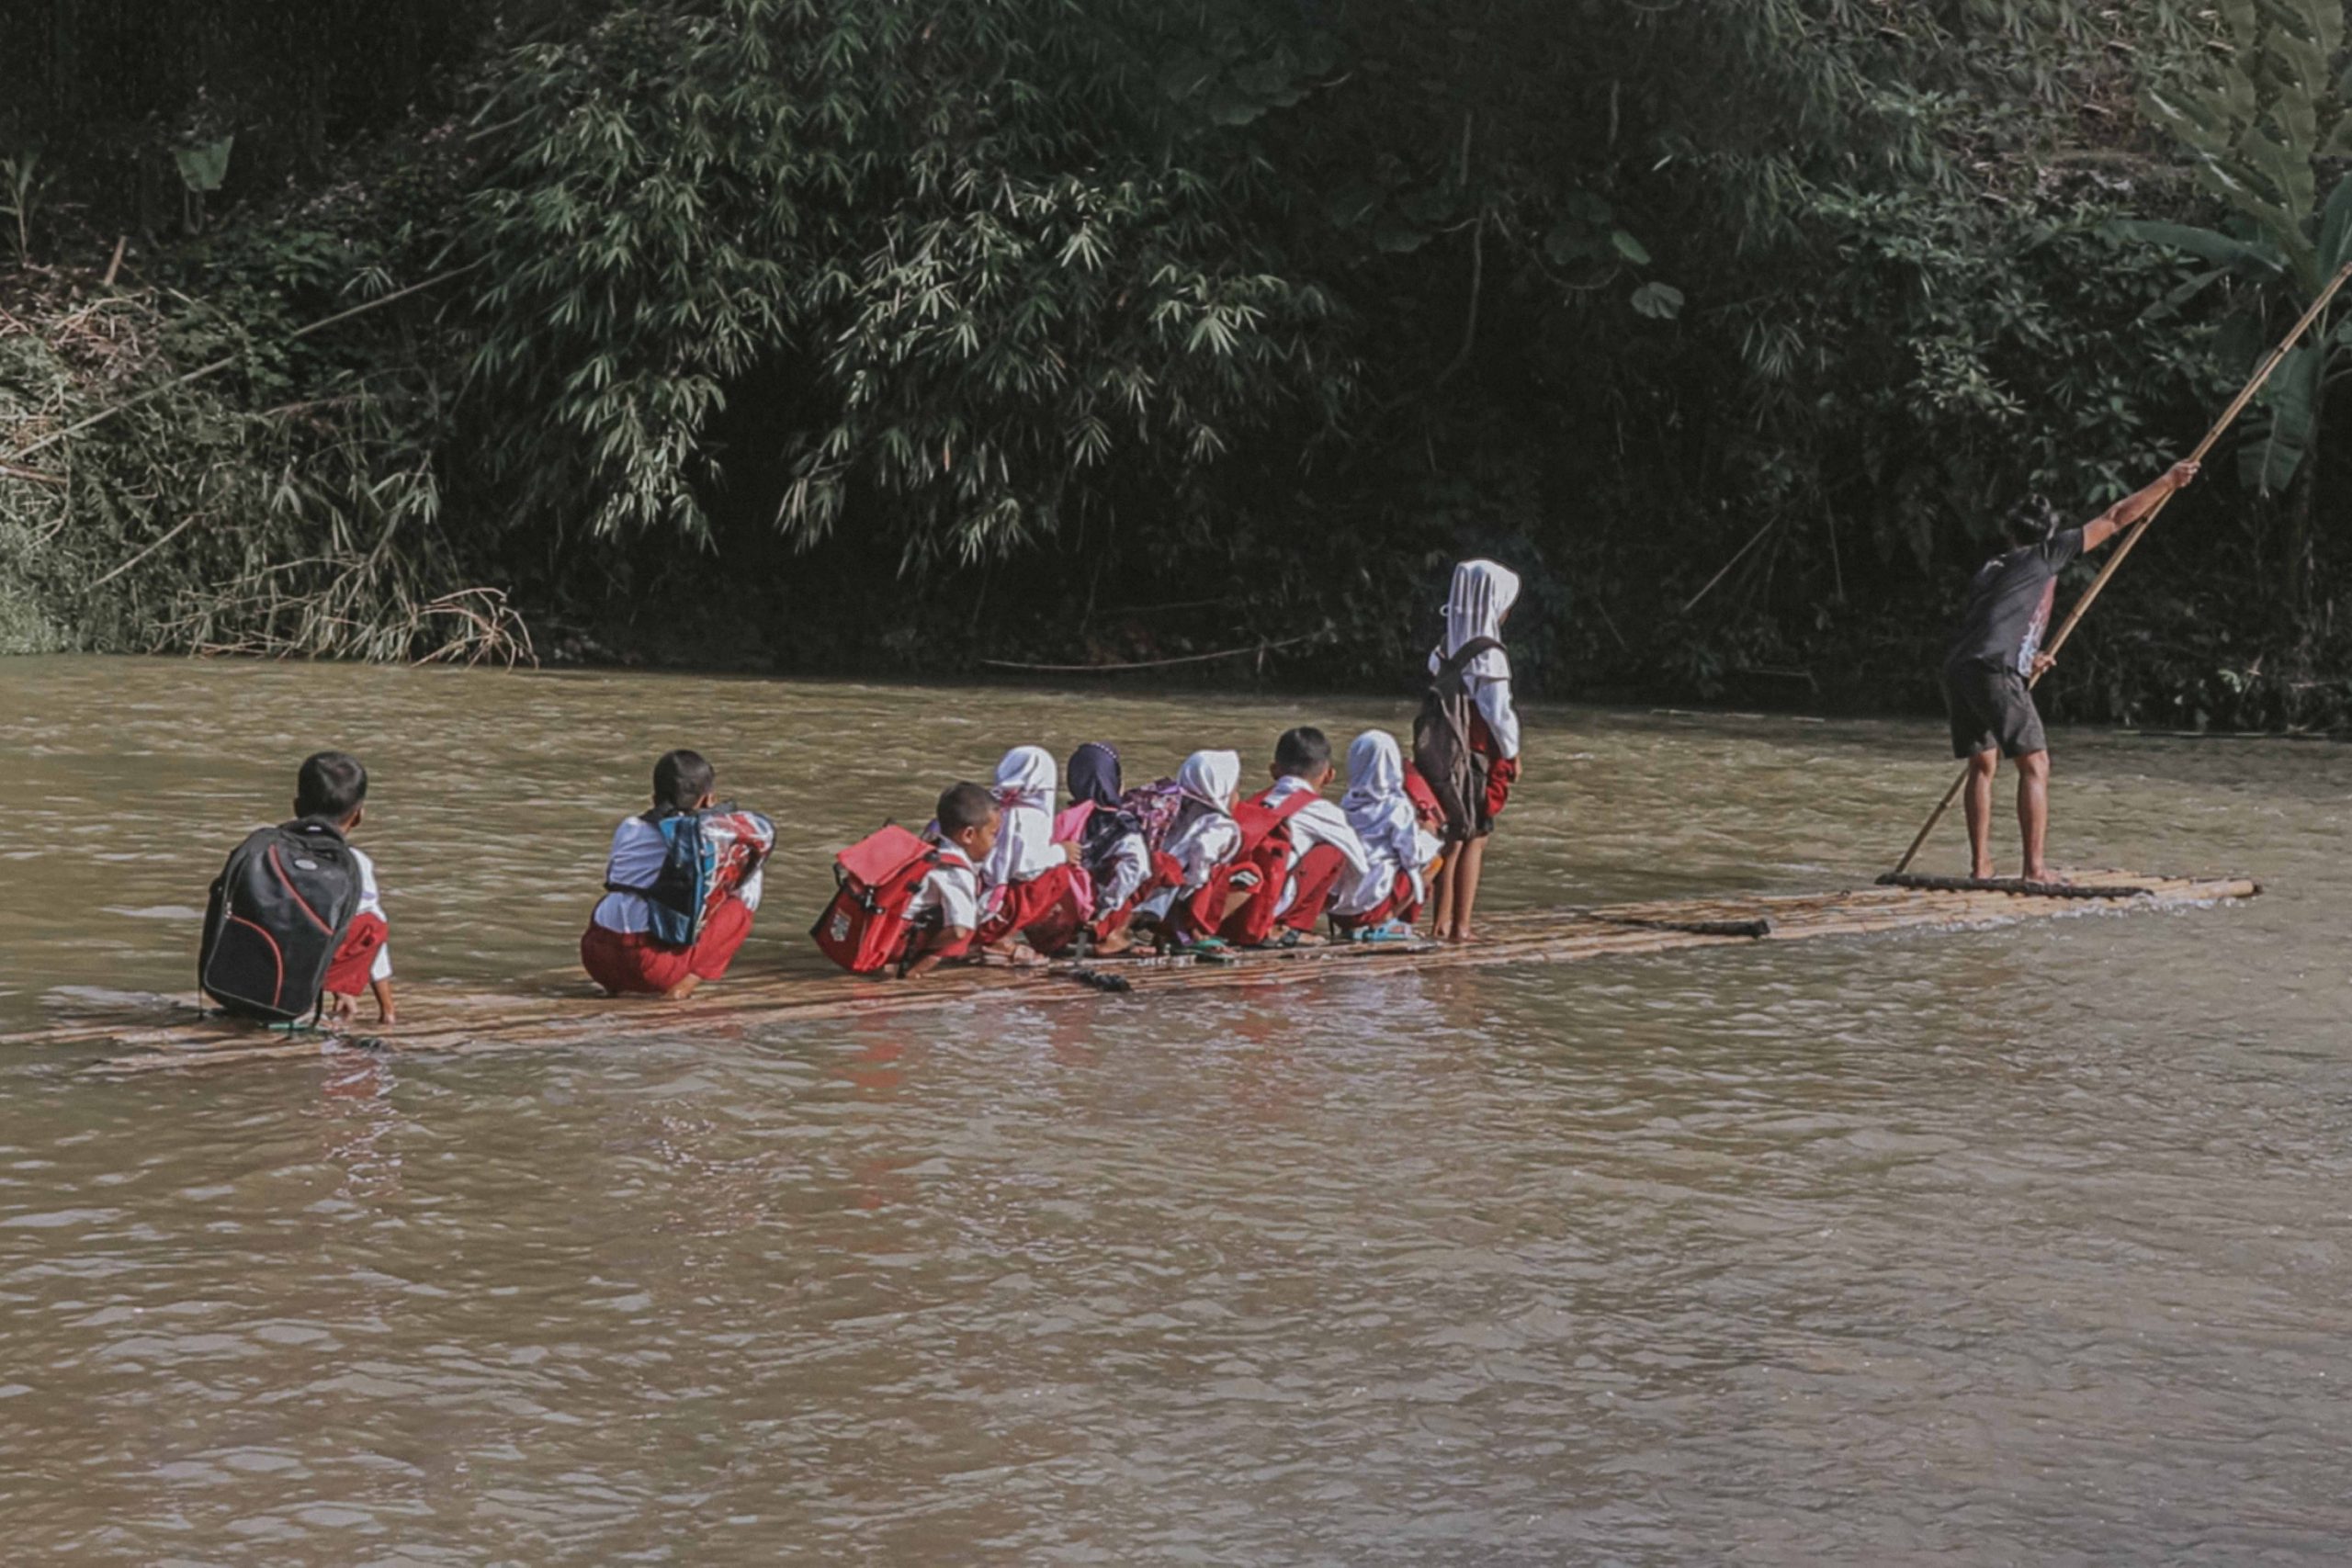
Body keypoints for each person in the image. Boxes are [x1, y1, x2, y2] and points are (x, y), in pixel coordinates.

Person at [1942, 460, 2199, 882]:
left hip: (1960, 667)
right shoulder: (2047, 554)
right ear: (2047, 534)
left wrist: (2029, 657)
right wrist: (2167, 482)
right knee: (2036, 764)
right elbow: (2115, 517)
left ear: (2010, 533)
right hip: (1992, 667)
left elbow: (1988, 622)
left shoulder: (1991, 568)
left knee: (1982, 766)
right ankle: (2034, 870)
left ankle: (1980, 867)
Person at [582, 749, 769, 999]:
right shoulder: (709, 837)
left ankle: (616, 989)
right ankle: (679, 990)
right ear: (708, 800)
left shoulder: (629, 827)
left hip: (597, 958)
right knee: (742, 899)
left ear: (654, 796)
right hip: (651, 966)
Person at [1422, 559, 1523, 942]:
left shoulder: (1445, 648)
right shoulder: (1490, 654)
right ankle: (1462, 927)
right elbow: (1499, 714)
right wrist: (1512, 755)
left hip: (1445, 753)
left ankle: (1440, 923)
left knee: (1451, 838)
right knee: (1475, 839)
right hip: (1478, 755)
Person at [1232, 727, 1368, 946]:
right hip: (1262, 913)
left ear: (1274, 771)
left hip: (1227, 911)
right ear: (1329, 775)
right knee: (1333, 852)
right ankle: (1292, 928)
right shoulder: (1323, 811)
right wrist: (1339, 907)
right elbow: (1361, 870)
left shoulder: (1251, 802)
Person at [306, 752, 398, 1025]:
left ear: (296, 805)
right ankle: (347, 993)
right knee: (372, 923)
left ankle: (340, 992)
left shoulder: (268, 854)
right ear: (358, 817)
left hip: (272, 972)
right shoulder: (355, 864)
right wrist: (387, 1010)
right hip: (322, 971)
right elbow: (369, 934)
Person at [974, 746, 1086, 957]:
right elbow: (1027, 869)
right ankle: (1002, 939)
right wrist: (1061, 852)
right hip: (995, 912)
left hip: (981, 902)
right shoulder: (1028, 817)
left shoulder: (991, 808)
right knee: (1056, 876)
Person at [1332, 729, 1444, 938]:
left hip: (1340, 906)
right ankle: (1384, 922)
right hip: (1373, 903)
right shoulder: (1396, 806)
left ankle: (1356, 927)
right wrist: (1429, 835)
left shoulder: (1347, 802)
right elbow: (1412, 856)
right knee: (1435, 861)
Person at [1137, 749, 1248, 948]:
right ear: (1220, 789)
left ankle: (1165, 931)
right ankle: (1195, 932)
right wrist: (1196, 880)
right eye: (1234, 789)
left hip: (1152, 883)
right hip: (1179, 894)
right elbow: (1203, 848)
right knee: (1247, 874)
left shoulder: (1171, 808)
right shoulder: (1220, 824)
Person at [1058, 742, 1161, 955]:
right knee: (1164, 865)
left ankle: (1072, 936)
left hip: (1062, 911)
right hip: (1098, 912)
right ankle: (1114, 935)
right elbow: (1138, 867)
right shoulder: (1120, 821)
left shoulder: (1064, 818)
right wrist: (1107, 907)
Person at [901, 783, 998, 979]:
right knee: (964, 928)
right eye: (993, 834)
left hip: (893, 923)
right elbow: (959, 930)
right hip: (899, 938)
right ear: (968, 835)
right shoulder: (956, 870)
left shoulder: (932, 844)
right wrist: (925, 950)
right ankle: (910, 974)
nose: (995, 843)